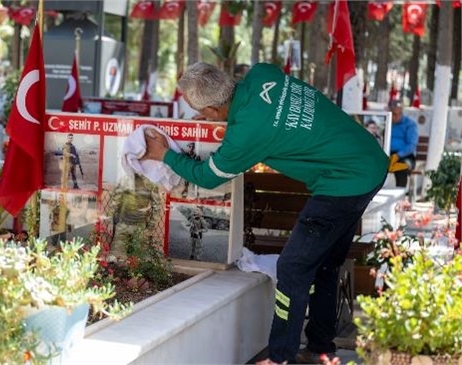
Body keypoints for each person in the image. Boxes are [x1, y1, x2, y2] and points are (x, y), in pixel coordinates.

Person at [142, 62, 388, 365]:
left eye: (202, 111)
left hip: (344, 182)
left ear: (212, 111)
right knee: (324, 263)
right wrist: (222, 118)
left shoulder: (245, 134)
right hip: (369, 160)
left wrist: (163, 154)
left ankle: (280, 358)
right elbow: (266, 115)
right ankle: (321, 348)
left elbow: (207, 176)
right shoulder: (262, 73)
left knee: (293, 268)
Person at [388, 100, 418, 187]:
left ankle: (400, 194)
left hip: (404, 156)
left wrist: (398, 155)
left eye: (399, 114)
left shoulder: (410, 124)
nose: (396, 117)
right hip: (387, 154)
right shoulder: (386, 122)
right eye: (394, 114)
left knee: (402, 166)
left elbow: (411, 145)